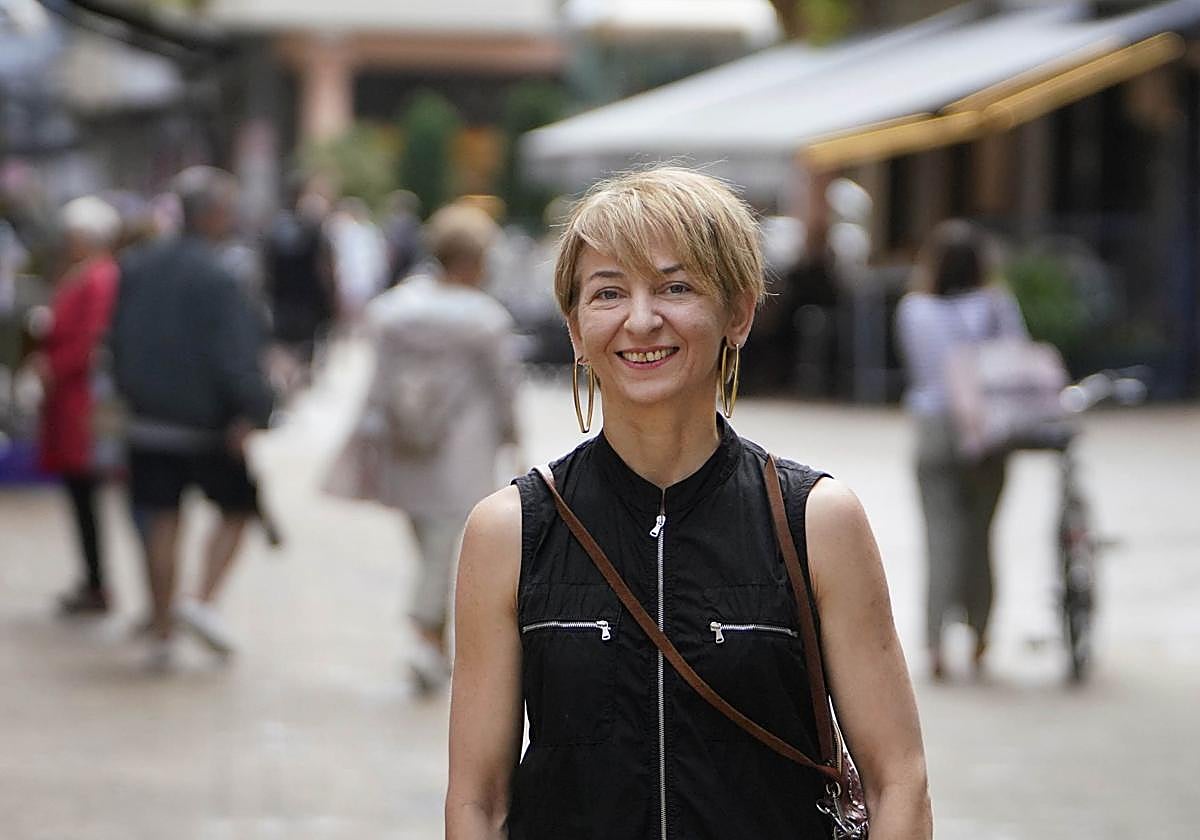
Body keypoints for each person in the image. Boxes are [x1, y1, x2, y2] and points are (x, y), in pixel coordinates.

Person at [445, 167, 931, 839]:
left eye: (676, 287)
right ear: (575, 327)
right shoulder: (511, 530)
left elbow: (897, 777)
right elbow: (479, 800)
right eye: (608, 292)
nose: (641, 320)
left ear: (739, 313)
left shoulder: (814, 521)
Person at [325, 203, 521, 693]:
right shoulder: (486, 320)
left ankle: (435, 644)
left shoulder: (393, 311)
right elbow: (505, 388)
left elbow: (377, 380)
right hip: (462, 446)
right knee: (442, 544)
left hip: (403, 442)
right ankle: (423, 637)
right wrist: (515, 438)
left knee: (429, 540)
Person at [109, 166, 274, 669]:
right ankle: (199, 602)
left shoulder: (136, 265)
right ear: (217, 213)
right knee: (237, 508)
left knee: (161, 520)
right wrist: (255, 408)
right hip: (208, 425)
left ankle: (162, 629)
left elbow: (116, 340)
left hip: (147, 418)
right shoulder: (222, 273)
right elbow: (235, 353)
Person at [894, 219, 1029, 680]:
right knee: (980, 539)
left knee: (940, 540)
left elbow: (919, 366)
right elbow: (1016, 360)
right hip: (989, 431)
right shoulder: (996, 305)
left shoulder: (913, 309)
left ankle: (934, 643)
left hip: (933, 428)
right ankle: (980, 636)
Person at [29, 196, 121, 614]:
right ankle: (93, 579)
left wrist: (54, 366)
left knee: (87, 493)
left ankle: (97, 583)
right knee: (80, 495)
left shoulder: (99, 278)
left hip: (80, 401)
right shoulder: (84, 275)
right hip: (68, 398)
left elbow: (90, 341)